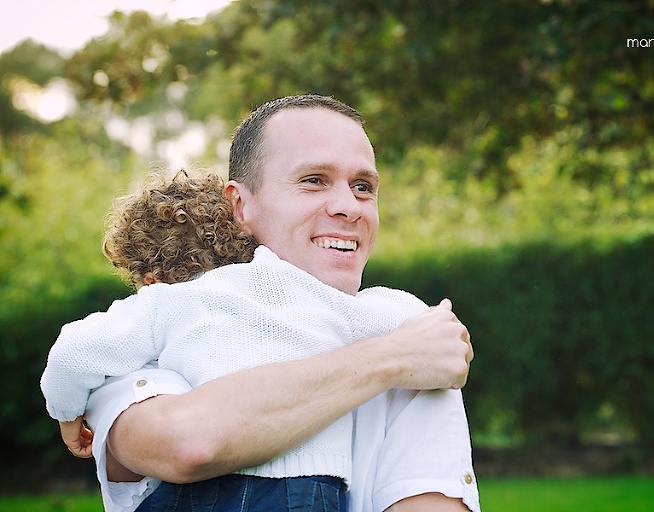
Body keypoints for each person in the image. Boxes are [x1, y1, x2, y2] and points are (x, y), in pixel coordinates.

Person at [66, 94, 479, 512]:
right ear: (240, 205)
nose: (348, 207)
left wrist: (64, 411)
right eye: (314, 179)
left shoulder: (401, 337)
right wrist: (390, 359)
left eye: (362, 187)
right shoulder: (142, 354)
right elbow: (189, 442)